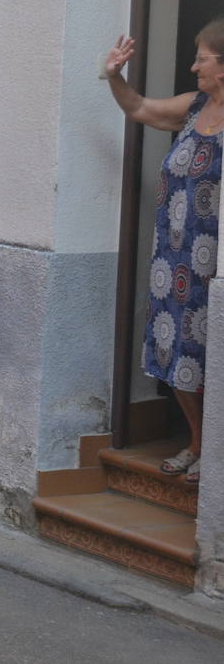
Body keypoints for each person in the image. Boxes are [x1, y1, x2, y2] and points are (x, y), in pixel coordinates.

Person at [104, 26, 224, 485]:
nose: (194, 66)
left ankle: (213, 452)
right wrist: (113, 75)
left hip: (215, 263)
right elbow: (138, 107)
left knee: (212, 355)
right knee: (177, 348)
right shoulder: (193, 107)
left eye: (203, 58)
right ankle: (198, 442)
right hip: (174, 262)